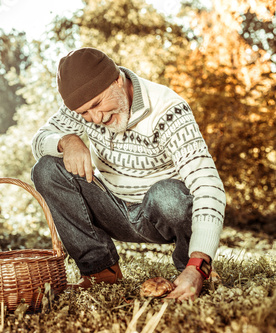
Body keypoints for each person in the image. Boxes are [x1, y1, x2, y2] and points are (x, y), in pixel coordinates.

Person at [31, 48, 226, 300]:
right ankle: (101, 270)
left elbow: (207, 184)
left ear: (117, 79)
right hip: (113, 208)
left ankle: (191, 271)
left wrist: (199, 263)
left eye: (97, 105)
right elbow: (38, 141)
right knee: (46, 169)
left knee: (168, 195)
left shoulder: (168, 109)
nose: (96, 118)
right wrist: (67, 141)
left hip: (160, 212)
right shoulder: (85, 105)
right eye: (84, 114)